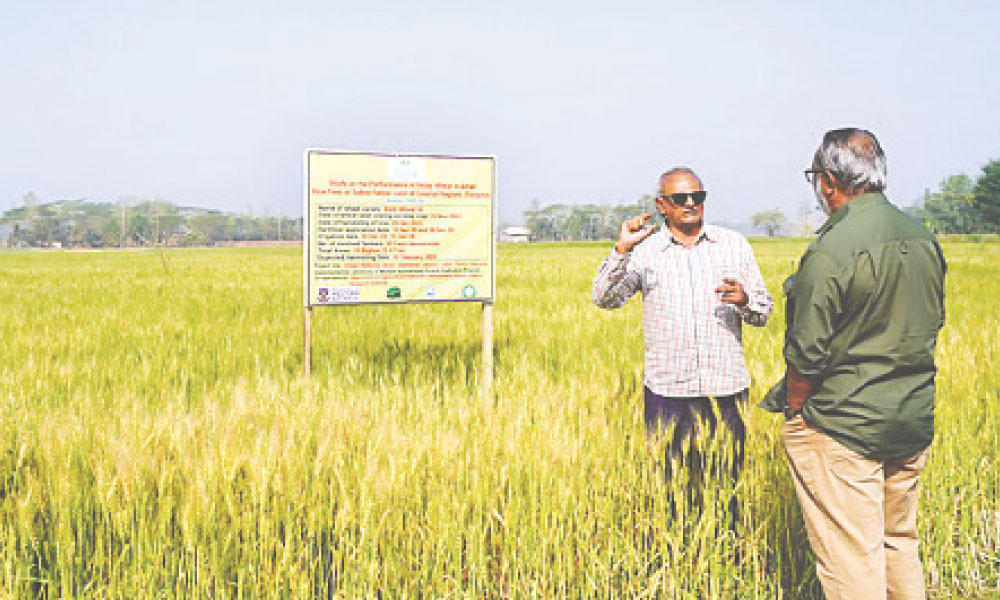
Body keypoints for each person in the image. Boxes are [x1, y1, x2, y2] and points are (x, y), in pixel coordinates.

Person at [762, 128, 946, 599]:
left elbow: (806, 353)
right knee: (898, 543)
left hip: (843, 426)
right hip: (910, 419)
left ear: (828, 180)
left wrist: (797, 410)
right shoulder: (921, 237)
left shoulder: (832, 249)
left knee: (852, 562)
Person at [592, 167, 772, 521]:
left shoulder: (734, 245)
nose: (690, 204)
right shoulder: (644, 252)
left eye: (698, 197)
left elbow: (763, 311)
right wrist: (621, 250)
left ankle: (726, 560)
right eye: (680, 199)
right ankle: (679, 563)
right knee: (671, 492)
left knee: (727, 490)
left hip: (726, 388)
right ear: (662, 205)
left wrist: (745, 299)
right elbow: (605, 299)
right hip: (668, 391)